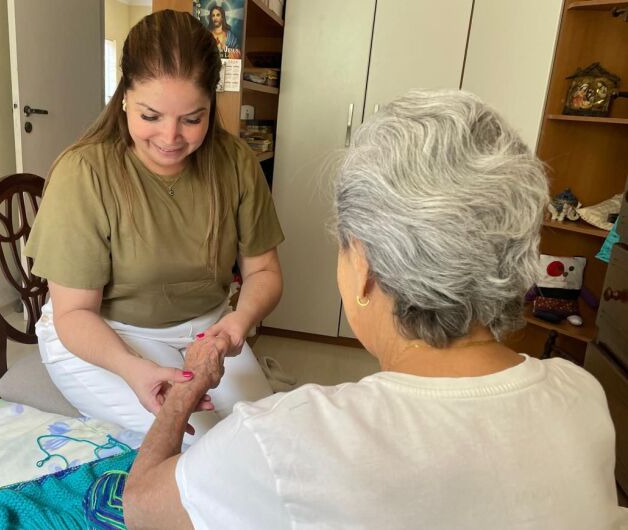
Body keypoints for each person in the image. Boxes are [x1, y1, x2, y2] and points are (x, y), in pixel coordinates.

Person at [122, 90, 626, 529]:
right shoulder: (580, 394)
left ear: (362, 268)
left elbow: (142, 507)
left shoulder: (284, 438)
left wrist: (186, 387)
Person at [25, 10, 282, 439]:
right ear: (124, 95)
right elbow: (74, 313)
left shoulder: (235, 162)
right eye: (151, 116)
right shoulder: (84, 172)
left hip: (208, 328)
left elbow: (264, 271)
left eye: (192, 119)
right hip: (104, 336)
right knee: (201, 444)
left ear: (210, 105)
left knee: (264, 436)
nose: (169, 138)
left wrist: (237, 324)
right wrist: (133, 369)